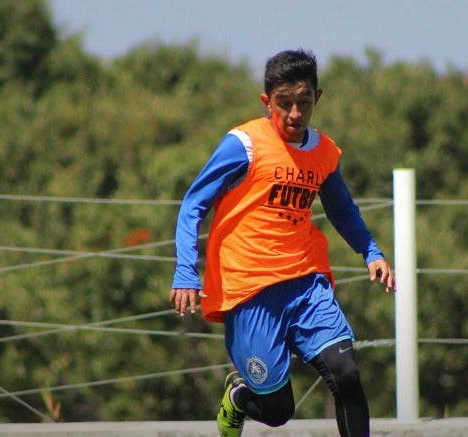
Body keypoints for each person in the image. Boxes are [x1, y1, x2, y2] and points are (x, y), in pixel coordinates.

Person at [169, 48, 395, 437]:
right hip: (251, 291)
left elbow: (341, 208)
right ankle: (240, 397)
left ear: (317, 98)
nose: (294, 114)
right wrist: (185, 270)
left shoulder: (323, 151)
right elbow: (194, 203)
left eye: (303, 103)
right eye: (283, 104)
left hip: (306, 284)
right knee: (277, 410)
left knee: (347, 374)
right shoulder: (244, 144)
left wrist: (370, 251)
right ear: (266, 101)